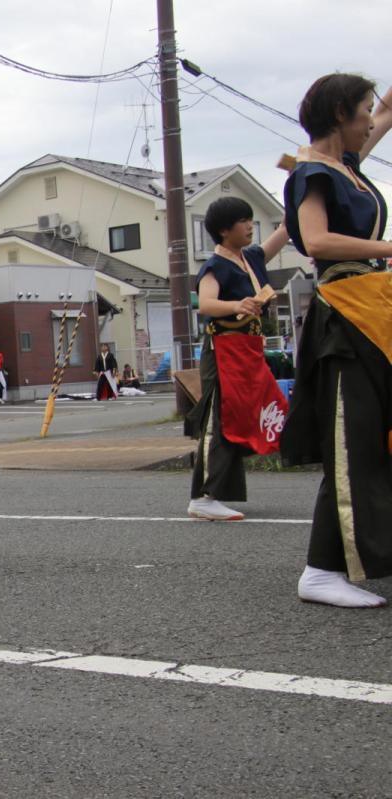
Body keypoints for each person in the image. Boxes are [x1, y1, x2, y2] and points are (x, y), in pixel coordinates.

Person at [281, 73, 392, 608]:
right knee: (353, 440)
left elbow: (387, 117)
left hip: (371, 310)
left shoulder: (346, 168)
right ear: (342, 113)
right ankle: (321, 571)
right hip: (343, 317)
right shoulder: (312, 174)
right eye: (364, 110)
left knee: (380, 437)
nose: (372, 120)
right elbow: (318, 240)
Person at [185, 197, 291, 522]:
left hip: (249, 352)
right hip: (224, 352)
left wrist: (302, 187)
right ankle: (203, 496)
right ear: (223, 230)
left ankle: (217, 492)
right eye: (243, 221)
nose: (249, 226)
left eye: (250, 220)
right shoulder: (214, 266)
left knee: (247, 416)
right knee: (221, 418)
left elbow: (287, 229)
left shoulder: (252, 258)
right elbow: (205, 304)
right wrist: (237, 306)